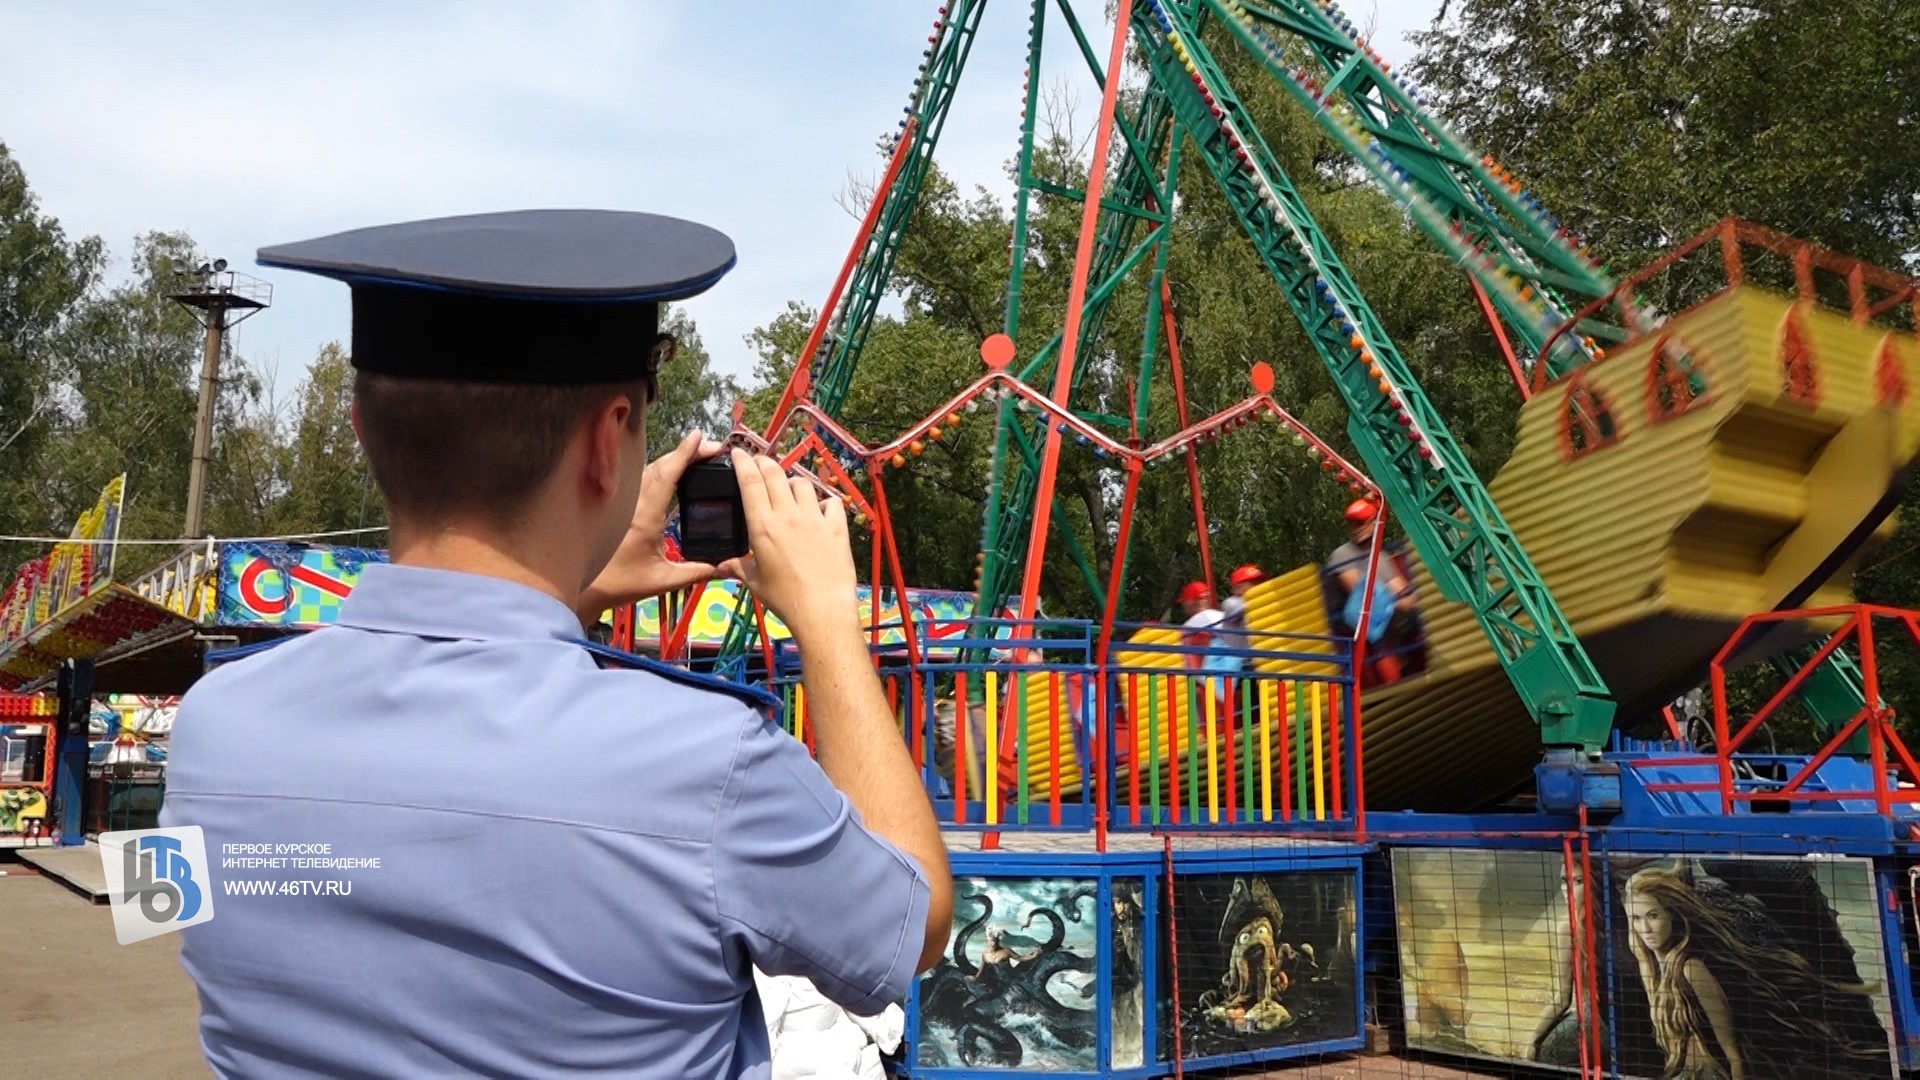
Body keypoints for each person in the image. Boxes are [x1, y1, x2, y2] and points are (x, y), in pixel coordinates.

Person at [159, 209, 954, 1078]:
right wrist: (830, 625)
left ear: (360, 427)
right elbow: (909, 930)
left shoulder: (211, 730)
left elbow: (181, 921)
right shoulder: (709, 768)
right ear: (607, 444)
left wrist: (584, 587)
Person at [1325, 499, 1415, 684]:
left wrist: (1408, 600)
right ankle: (1394, 684)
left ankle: (1409, 671)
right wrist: (1398, 602)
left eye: (1361, 522)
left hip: (1377, 611)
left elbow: (1402, 591)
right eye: (1352, 524)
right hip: (1349, 621)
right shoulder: (1343, 554)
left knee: (1414, 618)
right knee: (1376, 622)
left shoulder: (1381, 557)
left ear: (1375, 523)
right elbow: (1362, 594)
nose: (1356, 528)